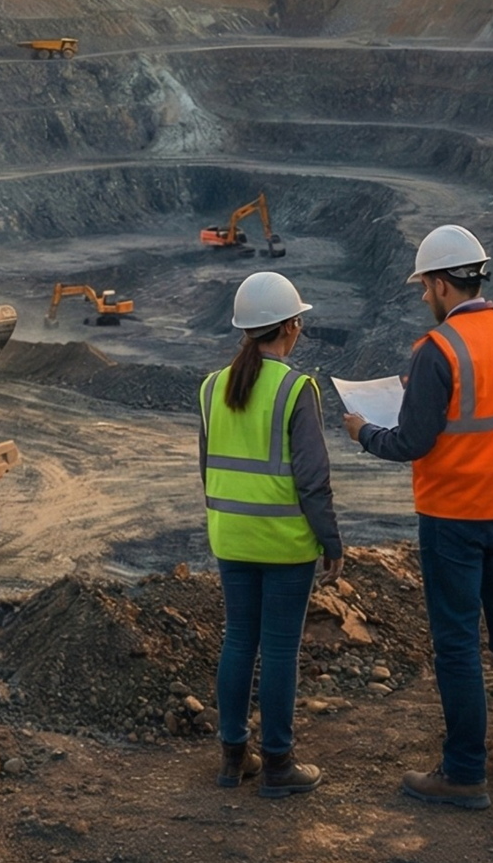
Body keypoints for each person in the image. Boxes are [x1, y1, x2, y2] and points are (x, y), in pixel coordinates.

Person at [343, 224, 493, 810]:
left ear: (438, 284)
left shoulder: (437, 350)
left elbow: (411, 441)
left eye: (424, 289)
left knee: (457, 641)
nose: (423, 299)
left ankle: (463, 772)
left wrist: (364, 432)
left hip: (455, 515)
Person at [200, 271, 343, 797]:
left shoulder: (213, 386)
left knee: (239, 640)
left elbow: (206, 465)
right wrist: (331, 542)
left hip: (231, 540)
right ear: (290, 327)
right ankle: (279, 766)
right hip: (285, 545)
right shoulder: (295, 388)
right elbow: (313, 479)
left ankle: (233, 758)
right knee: (280, 650)